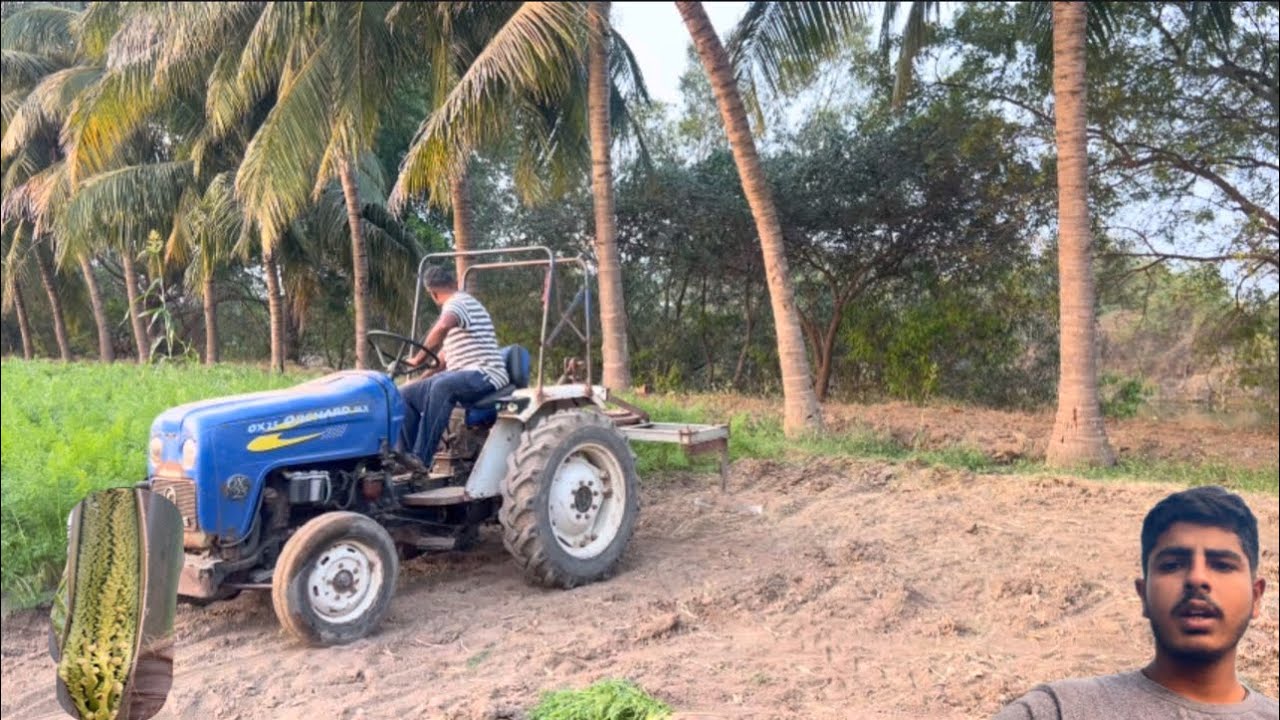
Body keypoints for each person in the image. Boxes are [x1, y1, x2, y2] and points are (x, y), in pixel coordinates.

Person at [993, 485, 1276, 719]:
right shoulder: (1058, 711)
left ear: (1256, 596)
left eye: (1222, 565)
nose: (1197, 578)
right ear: (1143, 595)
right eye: (1173, 565)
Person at [397, 266, 508, 471]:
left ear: (433, 293)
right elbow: (442, 361)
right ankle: (403, 460)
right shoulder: (457, 314)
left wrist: (417, 359)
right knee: (406, 393)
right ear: (452, 283)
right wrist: (421, 379)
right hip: (462, 375)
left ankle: (420, 459)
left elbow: (441, 328)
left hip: (486, 375)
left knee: (443, 386)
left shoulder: (459, 302)